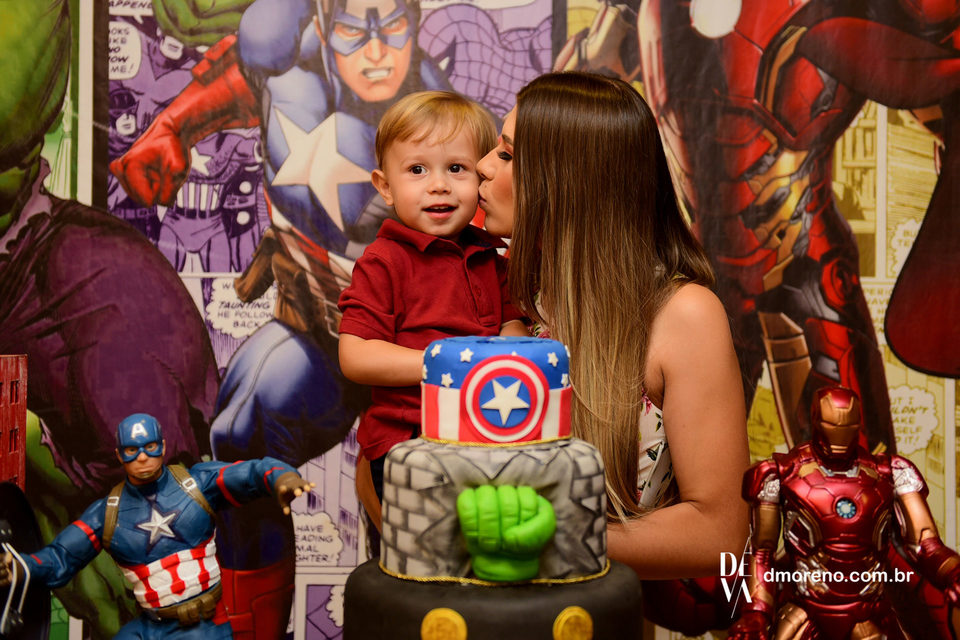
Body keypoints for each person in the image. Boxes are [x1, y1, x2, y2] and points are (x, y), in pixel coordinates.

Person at [476, 71, 750, 581]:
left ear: (567, 182)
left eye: (507, 155)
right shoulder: (508, 295)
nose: (483, 166)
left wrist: (548, 537)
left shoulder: (683, 314)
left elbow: (720, 534)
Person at [338, 90, 528, 501]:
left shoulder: (491, 257)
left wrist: (510, 353)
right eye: (417, 170)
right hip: (411, 439)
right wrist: (449, 361)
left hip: (484, 431)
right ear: (385, 187)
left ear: (481, 180)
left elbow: (513, 324)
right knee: (439, 536)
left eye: (457, 168)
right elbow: (355, 355)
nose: (439, 186)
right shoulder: (383, 262)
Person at [0, 413, 313, 639]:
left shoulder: (194, 484)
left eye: (149, 447)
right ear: (119, 455)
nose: (142, 458)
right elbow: (61, 556)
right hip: (149, 627)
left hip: (202, 627)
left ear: (162, 446)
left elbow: (252, 473)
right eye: (132, 450)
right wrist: (20, 567)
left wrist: (282, 479)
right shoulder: (108, 512)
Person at [729, 386, 960, 639]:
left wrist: (954, 573)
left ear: (857, 425)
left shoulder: (890, 472)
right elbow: (763, 552)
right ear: (816, 420)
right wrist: (756, 612)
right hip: (805, 611)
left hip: (868, 615)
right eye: (832, 425)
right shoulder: (781, 473)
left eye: (847, 427)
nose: (839, 435)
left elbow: (925, 545)